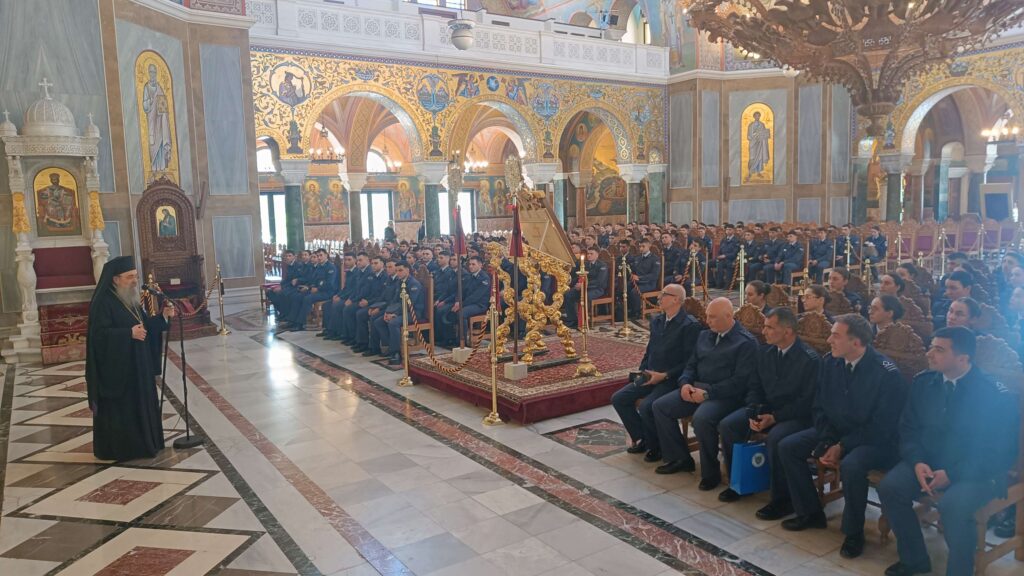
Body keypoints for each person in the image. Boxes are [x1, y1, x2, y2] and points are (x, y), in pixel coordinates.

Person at [878, 327, 1019, 576]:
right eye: (931, 346)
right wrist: (917, 461)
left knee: (953, 507)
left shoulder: (992, 394)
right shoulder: (925, 382)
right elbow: (908, 428)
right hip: (930, 460)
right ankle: (915, 560)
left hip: (977, 471)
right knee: (891, 487)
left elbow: (998, 451)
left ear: (963, 359)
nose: (929, 353)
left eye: (939, 350)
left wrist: (953, 474)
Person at [777, 314, 905, 559]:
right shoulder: (831, 362)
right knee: (788, 446)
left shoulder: (885, 374)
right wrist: (827, 440)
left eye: (836, 335)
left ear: (856, 342)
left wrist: (842, 445)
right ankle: (811, 513)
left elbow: (883, 426)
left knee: (852, 465)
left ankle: (853, 533)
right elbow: (819, 406)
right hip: (836, 431)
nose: (829, 340)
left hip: (873, 441)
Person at [717, 308, 820, 510]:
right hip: (767, 409)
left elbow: (807, 402)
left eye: (770, 327)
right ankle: (738, 481)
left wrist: (775, 417)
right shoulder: (765, 352)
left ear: (788, 331)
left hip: (796, 416)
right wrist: (754, 410)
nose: (764, 332)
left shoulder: (809, 360)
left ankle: (781, 498)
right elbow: (755, 386)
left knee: (776, 438)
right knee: (728, 425)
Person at [651, 298, 757, 490]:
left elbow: (740, 382)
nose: (708, 320)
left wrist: (708, 393)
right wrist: (684, 384)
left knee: (702, 419)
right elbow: (691, 365)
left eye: (713, 317)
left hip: (725, 396)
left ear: (728, 316)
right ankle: (680, 458)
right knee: (660, 406)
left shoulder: (745, 342)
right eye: (707, 316)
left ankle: (710, 473)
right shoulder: (704, 335)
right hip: (696, 389)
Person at [85, 256, 174, 461]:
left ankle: (146, 443)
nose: (135, 281)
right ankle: (125, 448)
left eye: (135, 276)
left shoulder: (130, 298)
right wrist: (127, 334)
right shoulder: (103, 302)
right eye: (129, 277)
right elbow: (98, 337)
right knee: (125, 409)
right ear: (115, 279)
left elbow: (142, 324)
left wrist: (163, 317)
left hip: (138, 365)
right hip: (118, 371)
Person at [612, 284, 702, 462]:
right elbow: (650, 349)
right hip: (650, 375)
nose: (659, 298)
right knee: (619, 398)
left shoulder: (689, 325)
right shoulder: (658, 320)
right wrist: (643, 370)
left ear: (676, 299)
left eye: (664, 295)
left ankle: (657, 447)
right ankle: (644, 437)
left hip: (670, 379)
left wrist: (665, 375)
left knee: (647, 407)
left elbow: (690, 362)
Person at [375, 261, 426, 365]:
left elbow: (409, 303)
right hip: (400, 311)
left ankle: (396, 353)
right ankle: (390, 346)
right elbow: (394, 301)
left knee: (393, 323)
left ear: (407, 270)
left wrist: (395, 314)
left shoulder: (414, 283)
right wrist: (387, 312)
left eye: (401, 270)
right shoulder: (399, 282)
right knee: (378, 321)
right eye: (397, 270)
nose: (398, 273)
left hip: (413, 312)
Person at [283, 249, 337, 331]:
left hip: (327, 292)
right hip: (315, 289)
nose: (319, 257)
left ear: (326, 255)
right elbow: (313, 280)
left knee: (307, 299)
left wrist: (317, 288)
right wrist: (308, 287)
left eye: (321, 255)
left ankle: (300, 323)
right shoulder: (319, 266)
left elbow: (330, 284)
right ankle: (292, 320)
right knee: (297, 296)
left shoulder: (331, 267)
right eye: (318, 256)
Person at [320, 252, 368, 340]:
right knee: (326, 305)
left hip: (351, 296)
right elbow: (345, 288)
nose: (346, 262)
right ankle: (328, 329)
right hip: (347, 295)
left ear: (354, 260)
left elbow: (354, 289)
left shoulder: (357, 272)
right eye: (345, 260)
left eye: (349, 260)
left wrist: (344, 298)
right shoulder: (349, 272)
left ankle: (337, 332)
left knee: (337, 305)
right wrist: (338, 295)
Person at [445, 256, 491, 344]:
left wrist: (461, 305)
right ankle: (450, 338)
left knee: (461, 313)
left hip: (479, 305)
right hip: (468, 303)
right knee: (448, 310)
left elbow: (475, 297)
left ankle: (462, 341)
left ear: (480, 265)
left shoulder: (484, 278)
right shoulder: (469, 276)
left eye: (473, 264)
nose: (470, 266)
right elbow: (460, 291)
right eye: (469, 264)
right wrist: (457, 301)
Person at [353, 260, 396, 354]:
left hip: (390, 307)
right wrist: (372, 306)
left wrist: (379, 308)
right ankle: (363, 342)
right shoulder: (389, 279)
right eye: (387, 267)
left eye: (390, 267)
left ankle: (375, 347)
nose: (388, 269)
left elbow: (392, 301)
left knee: (374, 318)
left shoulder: (394, 280)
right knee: (361, 314)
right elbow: (382, 296)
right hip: (383, 305)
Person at [343, 256, 386, 345]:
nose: (373, 266)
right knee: (350, 309)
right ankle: (357, 340)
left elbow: (382, 296)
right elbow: (366, 291)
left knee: (360, 313)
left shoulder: (385, 277)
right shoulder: (372, 276)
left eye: (376, 263)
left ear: (382, 264)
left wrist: (368, 302)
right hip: (369, 301)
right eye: (372, 263)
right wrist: (364, 300)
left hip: (378, 303)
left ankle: (365, 343)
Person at [564, 247, 608, 329]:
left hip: (597, 289)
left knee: (585, 296)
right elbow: (579, 277)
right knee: (568, 294)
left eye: (591, 254)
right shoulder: (586, 264)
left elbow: (599, 282)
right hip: (584, 287)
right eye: (588, 254)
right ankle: (572, 320)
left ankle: (583, 322)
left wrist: (583, 285)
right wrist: (570, 283)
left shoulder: (602, 265)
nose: (589, 255)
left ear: (597, 255)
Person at [627, 238, 661, 319]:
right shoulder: (638, 258)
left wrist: (639, 278)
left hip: (649, 283)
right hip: (638, 282)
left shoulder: (655, 259)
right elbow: (633, 270)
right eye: (640, 247)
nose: (641, 248)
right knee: (626, 286)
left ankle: (636, 312)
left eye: (643, 246)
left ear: (649, 246)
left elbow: (654, 275)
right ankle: (629, 309)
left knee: (634, 291)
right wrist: (632, 275)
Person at [432, 252, 458, 347]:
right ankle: (436, 335)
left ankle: (447, 338)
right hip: (444, 297)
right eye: (452, 259)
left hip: (454, 299)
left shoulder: (452, 273)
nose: (438, 259)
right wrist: (440, 299)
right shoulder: (440, 271)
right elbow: (446, 290)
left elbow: (455, 292)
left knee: (440, 310)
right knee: (433, 308)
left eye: (441, 257)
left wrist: (444, 300)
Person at [267, 250, 297, 318]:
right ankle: (281, 310)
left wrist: (282, 287)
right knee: (269, 292)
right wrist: (280, 285)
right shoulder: (289, 265)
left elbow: (293, 281)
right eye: (286, 256)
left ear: (294, 257)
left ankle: (285, 314)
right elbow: (286, 279)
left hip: (293, 287)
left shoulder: (297, 266)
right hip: (287, 285)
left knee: (282, 293)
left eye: (289, 256)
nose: (287, 257)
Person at [715, 224, 740, 289]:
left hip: (731, 259)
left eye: (730, 229)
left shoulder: (736, 240)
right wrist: (719, 256)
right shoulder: (724, 240)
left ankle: (728, 285)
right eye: (727, 230)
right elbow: (720, 250)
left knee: (729, 265)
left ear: (733, 231)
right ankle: (718, 284)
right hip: (722, 259)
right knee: (718, 264)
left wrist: (725, 256)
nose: (728, 231)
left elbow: (735, 253)